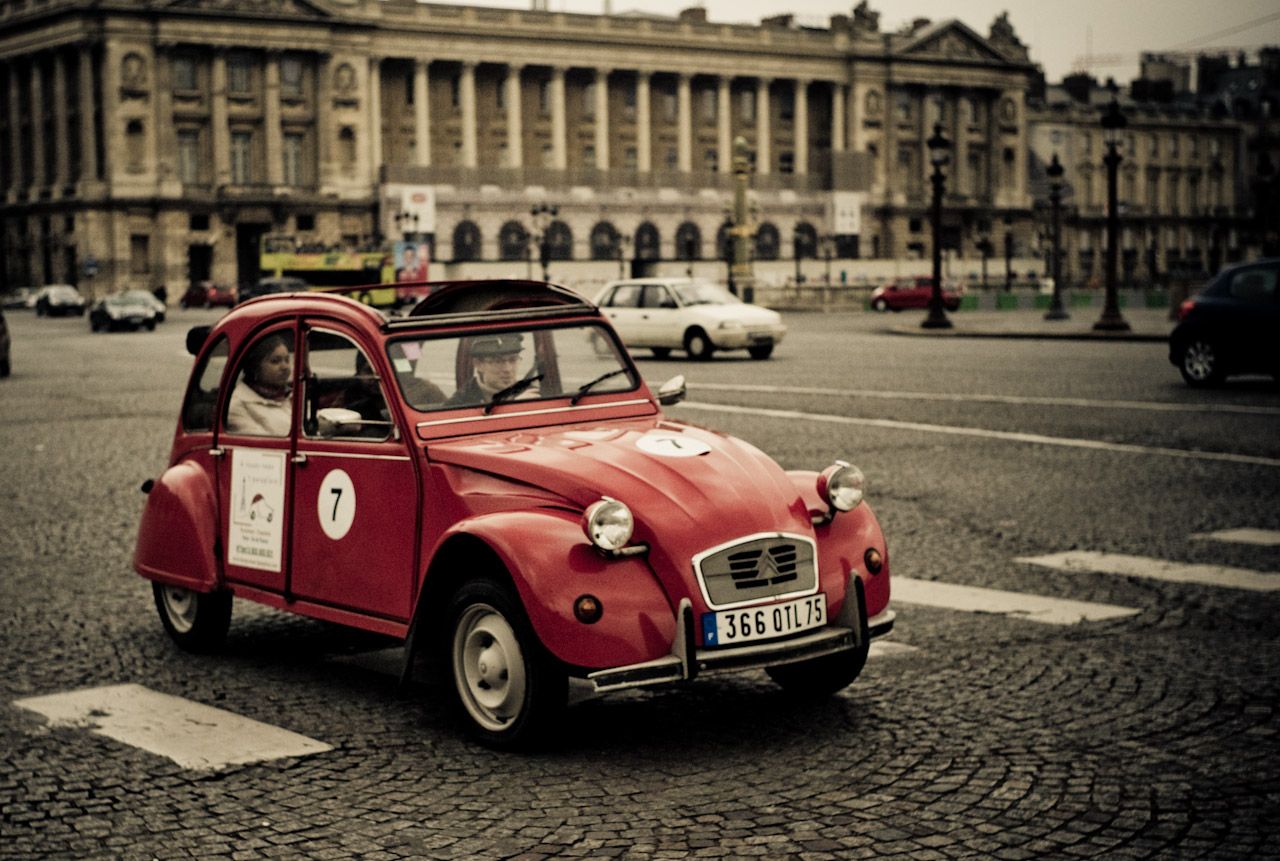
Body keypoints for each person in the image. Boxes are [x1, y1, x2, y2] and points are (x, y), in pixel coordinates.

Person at [226, 333, 293, 435]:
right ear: (255, 366)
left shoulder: (288, 394)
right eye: (275, 361)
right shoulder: (237, 405)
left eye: (287, 360)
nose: (285, 367)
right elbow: (266, 444)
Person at [446, 333, 532, 407]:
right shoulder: (459, 404)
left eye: (513, 360)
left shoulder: (532, 395)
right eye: (498, 362)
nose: (507, 369)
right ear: (478, 364)